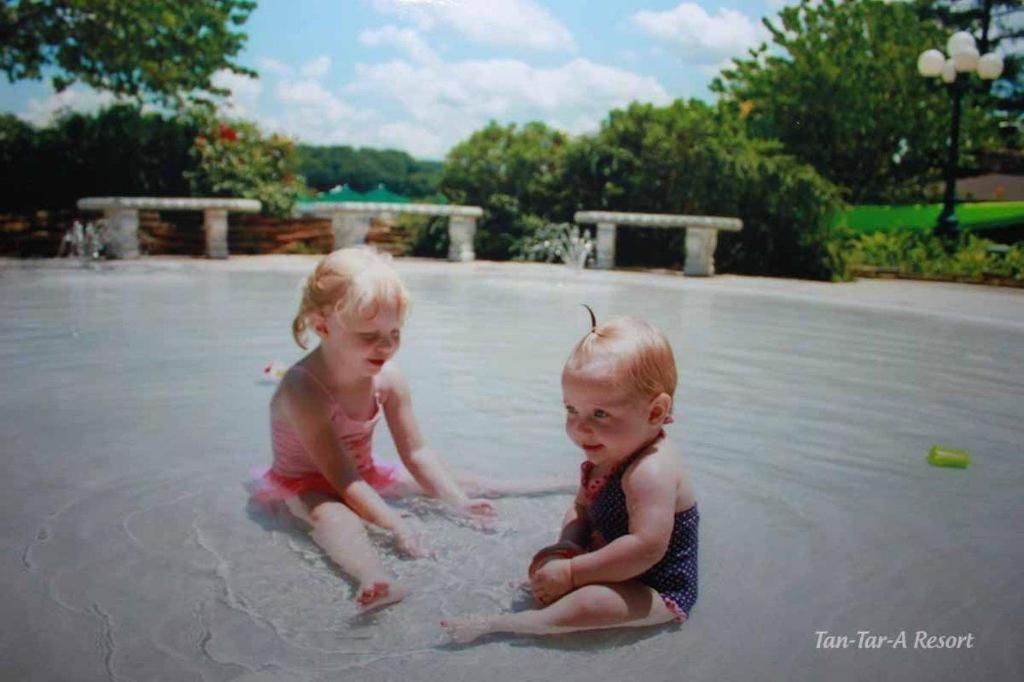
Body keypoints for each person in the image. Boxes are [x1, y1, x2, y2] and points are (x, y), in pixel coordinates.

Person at [253, 247, 561, 611]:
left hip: (364, 475)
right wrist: (395, 523)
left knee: (458, 482)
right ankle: (371, 576)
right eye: (369, 335)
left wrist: (457, 502)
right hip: (306, 484)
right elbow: (343, 480)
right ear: (322, 326)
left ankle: (551, 485)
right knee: (335, 518)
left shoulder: (388, 380)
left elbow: (417, 453)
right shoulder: (304, 390)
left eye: (394, 332)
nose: (385, 346)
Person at [443, 310, 698, 642]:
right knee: (547, 564)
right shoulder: (607, 451)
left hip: (653, 587)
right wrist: (568, 544)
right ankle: (565, 589)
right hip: (606, 563)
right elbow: (581, 507)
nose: (581, 427)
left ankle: (511, 626)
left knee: (592, 603)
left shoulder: (651, 470)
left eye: (600, 413)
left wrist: (574, 572)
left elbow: (645, 548)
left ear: (655, 412)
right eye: (571, 410)